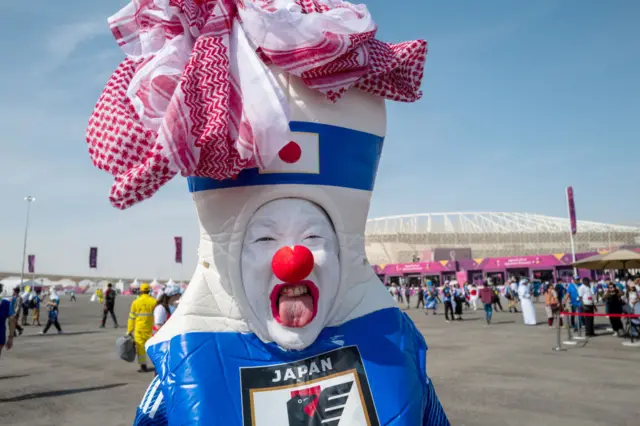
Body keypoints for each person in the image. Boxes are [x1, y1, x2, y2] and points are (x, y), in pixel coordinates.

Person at [126, 283, 156, 373]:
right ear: (148, 291)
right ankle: (157, 364)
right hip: (151, 329)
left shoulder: (136, 302)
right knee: (153, 348)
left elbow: (131, 318)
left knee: (140, 348)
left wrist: (129, 330)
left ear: (141, 291)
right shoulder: (154, 301)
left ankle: (143, 366)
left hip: (139, 330)